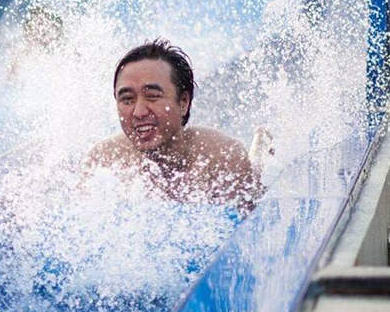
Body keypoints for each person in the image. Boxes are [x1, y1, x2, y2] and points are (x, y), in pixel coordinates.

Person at [86, 40, 261, 213]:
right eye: (127, 100)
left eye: (153, 96)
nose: (138, 112)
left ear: (184, 102)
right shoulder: (103, 163)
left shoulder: (222, 159)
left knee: (258, 179)